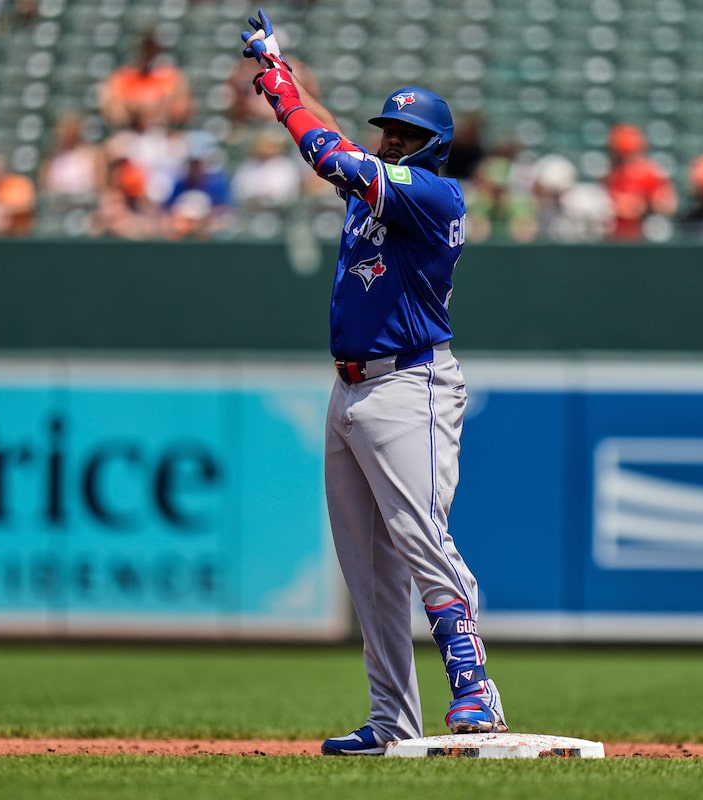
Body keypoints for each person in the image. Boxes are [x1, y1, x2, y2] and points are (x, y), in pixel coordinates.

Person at [240, 8, 508, 755]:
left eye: (404, 134)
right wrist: (283, 69)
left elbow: (329, 152)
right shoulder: (385, 185)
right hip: (351, 388)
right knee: (367, 565)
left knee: (421, 535)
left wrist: (275, 90)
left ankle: (475, 688)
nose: (390, 139)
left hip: (409, 385)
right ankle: (393, 721)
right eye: (388, 130)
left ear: (434, 148)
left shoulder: (432, 195)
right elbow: (341, 143)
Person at [99, 30, 194, 131]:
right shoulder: (123, 76)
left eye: (150, 48)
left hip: (162, 131)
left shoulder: (172, 76)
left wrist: (153, 110)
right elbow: (114, 113)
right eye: (144, 48)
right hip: (130, 132)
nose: (147, 53)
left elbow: (180, 110)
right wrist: (139, 111)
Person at [603, 122, 678, 241]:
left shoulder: (649, 173)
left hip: (642, 237)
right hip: (615, 237)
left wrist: (643, 205)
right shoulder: (610, 175)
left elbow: (669, 205)